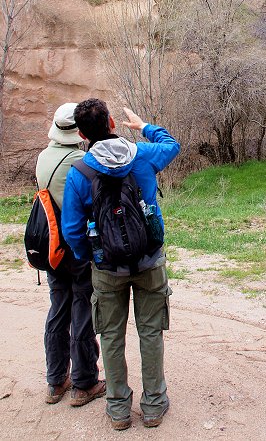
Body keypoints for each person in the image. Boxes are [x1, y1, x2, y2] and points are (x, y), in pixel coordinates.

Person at [61, 99, 180, 431]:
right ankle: (154, 405)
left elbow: (71, 230)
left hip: (107, 268)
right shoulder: (140, 154)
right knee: (151, 332)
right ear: (112, 122)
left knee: (111, 336)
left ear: (82, 134)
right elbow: (171, 145)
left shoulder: (81, 172)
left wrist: (93, 257)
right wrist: (144, 127)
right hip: (149, 261)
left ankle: (118, 410)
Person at [35, 103, 105, 406]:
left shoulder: (42, 158)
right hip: (75, 246)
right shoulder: (81, 160)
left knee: (57, 309)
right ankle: (84, 383)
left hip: (51, 247)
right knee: (81, 309)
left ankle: (55, 381)